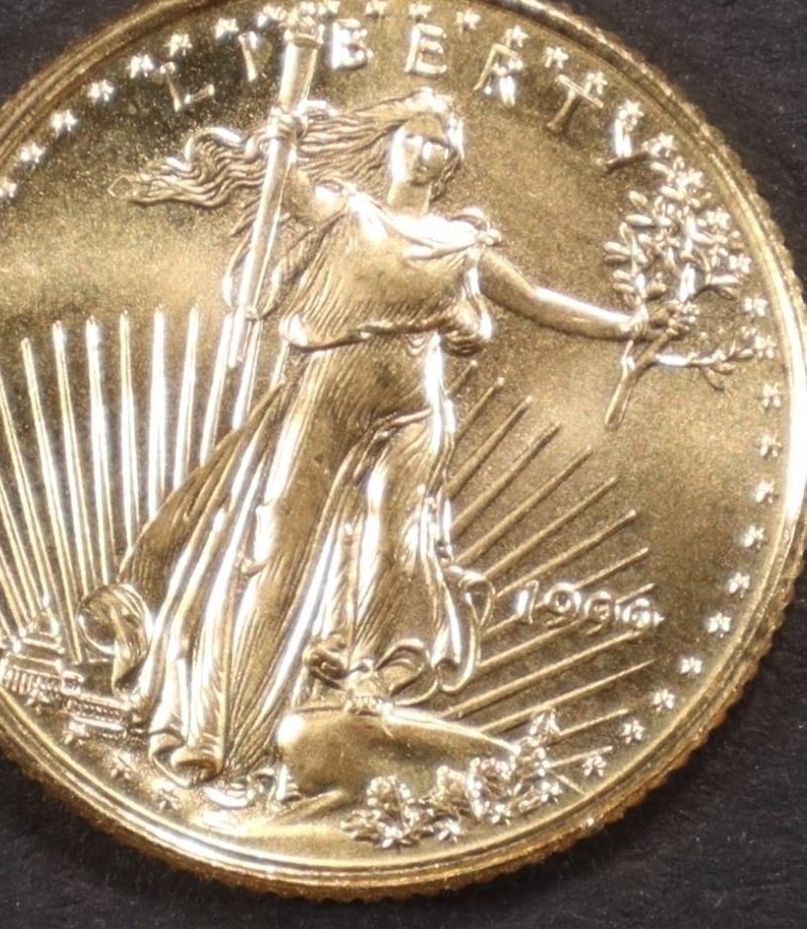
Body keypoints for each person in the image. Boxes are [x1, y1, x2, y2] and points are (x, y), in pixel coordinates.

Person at [80, 88, 648, 787]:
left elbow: (535, 300)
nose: (426, 151)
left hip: (416, 403)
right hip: (327, 389)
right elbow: (290, 188)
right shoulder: (348, 211)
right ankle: (212, 728)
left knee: (395, 546)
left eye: (441, 144)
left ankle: (363, 679)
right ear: (390, 141)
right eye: (416, 135)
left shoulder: (463, 245)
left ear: (451, 164)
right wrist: (281, 139)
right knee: (272, 550)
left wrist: (630, 326)